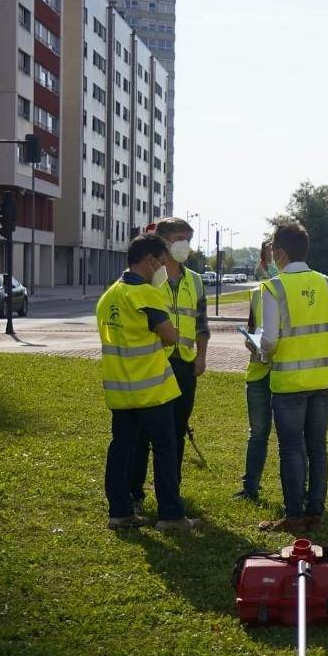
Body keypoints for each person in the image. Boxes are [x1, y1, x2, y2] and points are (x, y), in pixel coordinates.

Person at [97, 234, 199, 530]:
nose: (164, 271)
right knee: (165, 449)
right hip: (151, 389)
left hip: (120, 389)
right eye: (163, 264)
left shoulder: (109, 296)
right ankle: (171, 515)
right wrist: (175, 332)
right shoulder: (146, 294)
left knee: (122, 449)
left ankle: (120, 511)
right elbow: (168, 335)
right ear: (150, 261)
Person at [257, 222, 328, 534]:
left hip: (289, 384)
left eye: (272, 248)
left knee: (291, 448)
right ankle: (315, 513)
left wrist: (257, 347)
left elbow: (269, 339)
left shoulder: (274, 287)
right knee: (317, 447)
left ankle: (294, 516)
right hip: (324, 380)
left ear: (279, 252)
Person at [129, 217, 209, 515]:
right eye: (179, 238)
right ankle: (134, 495)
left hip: (184, 366)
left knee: (175, 433)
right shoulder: (147, 277)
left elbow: (201, 324)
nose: (185, 244)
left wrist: (201, 357)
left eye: (188, 238)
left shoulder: (196, 280)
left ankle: (171, 494)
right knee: (142, 434)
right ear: (162, 242)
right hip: (152, 365)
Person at [232, 238, 278, 502]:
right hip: (259, 371)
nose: (274, 264)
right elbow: (252, 330)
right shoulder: (257, 294)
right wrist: (250, 342)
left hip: (285, 372)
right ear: (263, 263)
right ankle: (250, 488)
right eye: (270, 258)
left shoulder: (290, 291)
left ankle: (296, 494)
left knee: (291, 439)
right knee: (258, 432)